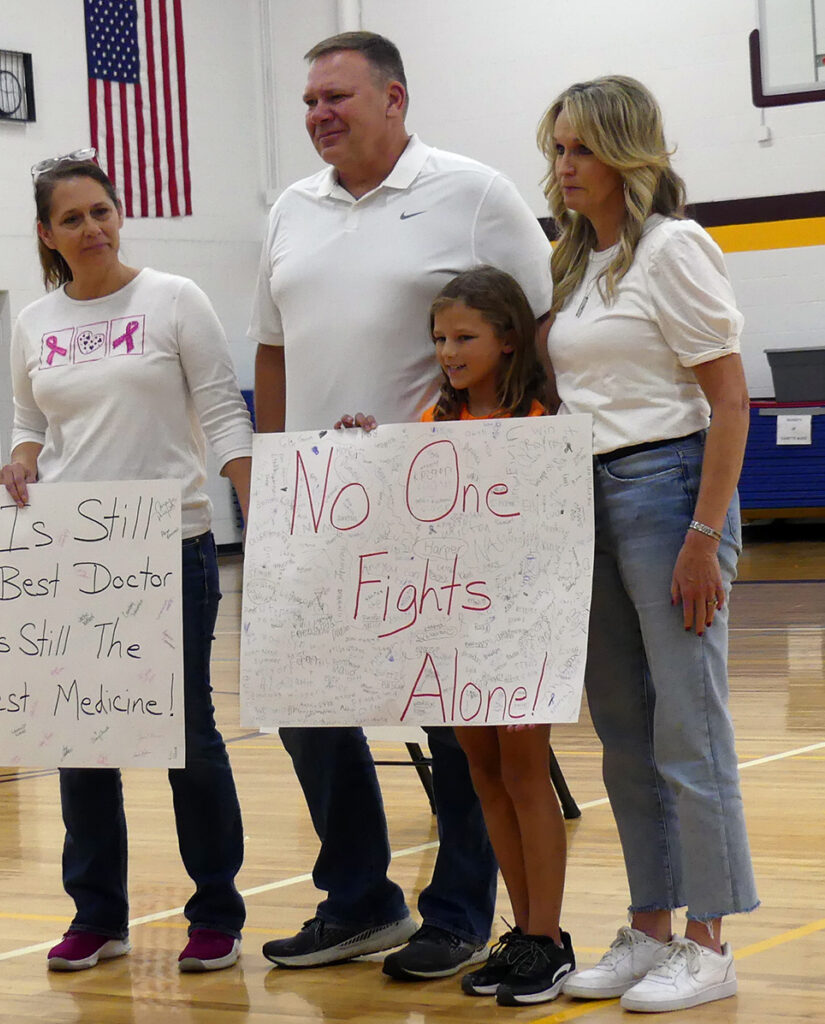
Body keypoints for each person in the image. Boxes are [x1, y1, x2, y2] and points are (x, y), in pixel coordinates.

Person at [249, 31, 553, 981]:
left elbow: (538, 334)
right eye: (309, 101)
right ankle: (359, 902)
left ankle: (457, 914)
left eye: (335, 96)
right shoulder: (289, 209)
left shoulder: (476, 193)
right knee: (302, 702)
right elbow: (270, 347)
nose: (318, 114)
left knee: (451, 718)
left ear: (394, 98)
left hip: (441, 508)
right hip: (318, 503)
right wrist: (273, 467)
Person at [0, 153, 253, 975]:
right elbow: (28, 420)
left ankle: (215, 911)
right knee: (81, 738)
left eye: (100, 211)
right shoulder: (34, 321)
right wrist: (20, 460)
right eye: (71, 219)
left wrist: (261, 507)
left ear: (119, 214)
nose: (91, 229)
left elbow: (222, 411)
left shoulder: (175, 299)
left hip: (171, 544)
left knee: (188, 735)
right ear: (47, 234)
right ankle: (97, 915)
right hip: (71, 555)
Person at [536, 76, 758, 1013]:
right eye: (556, 149)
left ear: (627, 154)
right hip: (584, 495)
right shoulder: (575, 262)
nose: (563, 166)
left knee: (687, 729)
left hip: (667, 492)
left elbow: (730, 401)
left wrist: (703, 535)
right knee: (624, 734)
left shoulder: (672, 249)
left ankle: (709, 941)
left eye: (581, 148)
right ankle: (649, 926)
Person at [337, 265, 576, 1006]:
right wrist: (363, 451)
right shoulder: (432, 420)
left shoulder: (542, 418)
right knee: (482, 775)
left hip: (522, 623)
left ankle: (548, 939)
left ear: (507, 339)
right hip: (454, 625)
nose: (447, 352)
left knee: (526, 775)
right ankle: (521, 935)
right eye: (439, 338)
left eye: (463, 337)